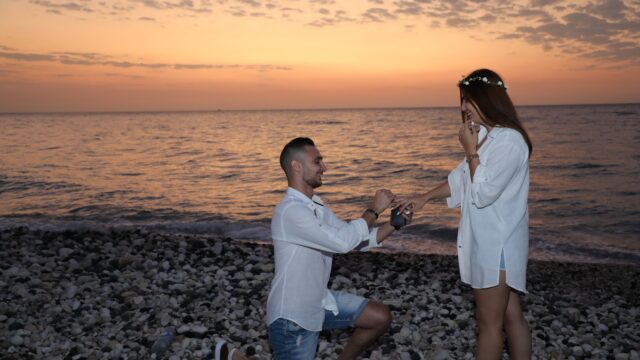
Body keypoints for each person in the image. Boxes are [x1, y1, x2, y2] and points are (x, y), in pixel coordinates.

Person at [215, 137, 411, 360]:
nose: (324, 167)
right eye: (318, 161)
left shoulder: (316, 205)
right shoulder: (290, 211)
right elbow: (342, 243)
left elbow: (354, 239)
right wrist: (373, 210)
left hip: (319, 301)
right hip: (293, 317)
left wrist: (395, 224)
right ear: (297, 167)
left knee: (379, 317)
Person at [394, 69, 532, 359]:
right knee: (510, 315)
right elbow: (460, 180)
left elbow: (482, 193)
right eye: (462, 101)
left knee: (489, 324)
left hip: (498, 246)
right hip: (494, 242)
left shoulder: (508, 141)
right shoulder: (487, 137)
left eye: (468, 100)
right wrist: (423, 198)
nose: (463, 107)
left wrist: (471, 152)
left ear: (489, 99)